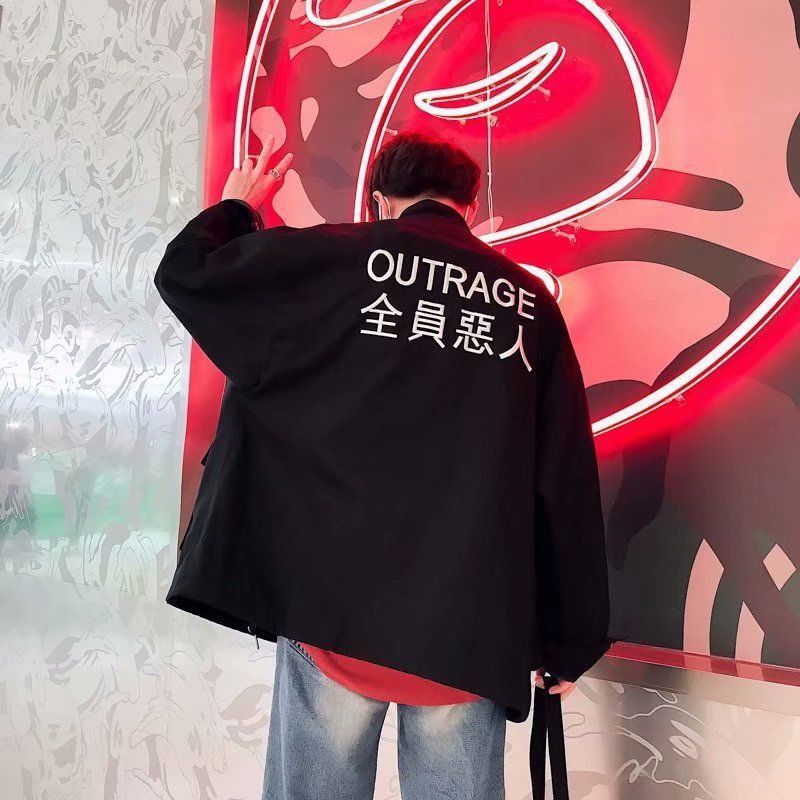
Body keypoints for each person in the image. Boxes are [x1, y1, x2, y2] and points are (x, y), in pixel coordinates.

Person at [154, 131, 613, 800]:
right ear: (470, 205)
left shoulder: (335, 261)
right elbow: (563, 481)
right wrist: (570, 638)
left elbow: (190, 275)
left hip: (332, 610)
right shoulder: (528, 305)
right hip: (466, 629)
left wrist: (239, 208)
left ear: (379, 201)